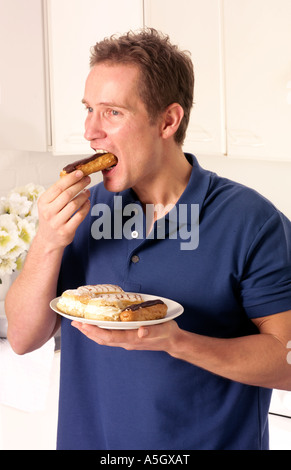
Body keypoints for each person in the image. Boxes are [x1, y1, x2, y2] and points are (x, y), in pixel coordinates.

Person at [5, 28, 291, 450]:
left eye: (113, 112)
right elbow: (24, 338)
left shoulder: (251, 221)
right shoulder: (82, 213)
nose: (90, 131)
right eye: (88, 109)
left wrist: (177, 342)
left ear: (168, 121)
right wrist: (47, 241)